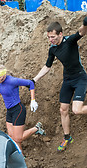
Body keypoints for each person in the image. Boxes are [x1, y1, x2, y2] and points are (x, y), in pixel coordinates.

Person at [33, 17, 87, 152]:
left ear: (60, 34)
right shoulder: (53, 49)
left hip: (80, 78)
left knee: (77, 110)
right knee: (63, 110)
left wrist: (85, 23)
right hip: (67, 80)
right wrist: (35, 79)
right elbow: (47, 66)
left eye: (53, 37)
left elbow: (82, 31)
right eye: (49, 37)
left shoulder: (70, 41)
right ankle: (67, 137)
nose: (51, 40)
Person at [0, 64, 45, 151]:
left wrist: (33, 100)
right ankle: (21, 159)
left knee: (18, 138)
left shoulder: (13, 81)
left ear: (4, 74)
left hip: (17, 110)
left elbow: (30, 83)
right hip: (9, 111)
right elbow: (2, 88)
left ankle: (37, 128)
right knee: (12, 137)